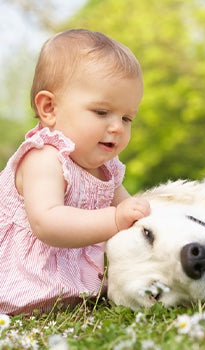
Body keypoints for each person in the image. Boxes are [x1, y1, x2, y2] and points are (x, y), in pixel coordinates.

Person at [0, 29, 150, 315]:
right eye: (101, 112)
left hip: (66, 280)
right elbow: (48, 223)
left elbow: (131, 211)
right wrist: (116, 218)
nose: (117, 126)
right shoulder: (44, 157)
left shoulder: (106, 170)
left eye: (127, 117)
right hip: (21, 268)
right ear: (49, 108)